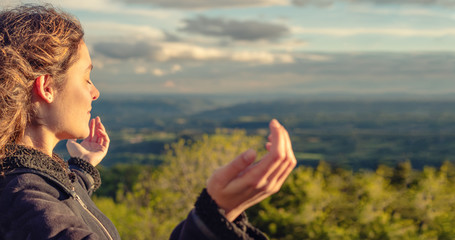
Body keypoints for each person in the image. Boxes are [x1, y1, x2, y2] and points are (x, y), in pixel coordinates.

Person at [0, 4, 296, 240]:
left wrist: (83, 169)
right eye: (86, 78)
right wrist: (214, 214)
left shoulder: (29, 183)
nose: (95, 91)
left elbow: (58, 198)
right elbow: (40, 209)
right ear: (47, 88)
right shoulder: (25, 202)